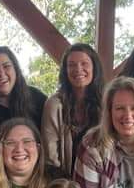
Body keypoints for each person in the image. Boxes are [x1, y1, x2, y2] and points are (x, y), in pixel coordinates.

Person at [41, 43, 104, 177]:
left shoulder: (107, 103)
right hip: (65, 181)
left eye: (84, 63)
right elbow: (50, 158)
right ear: (65, 70)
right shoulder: (54, 105)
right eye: (72, 65)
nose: (78, 69)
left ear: (94, 67)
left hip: (101, 180)